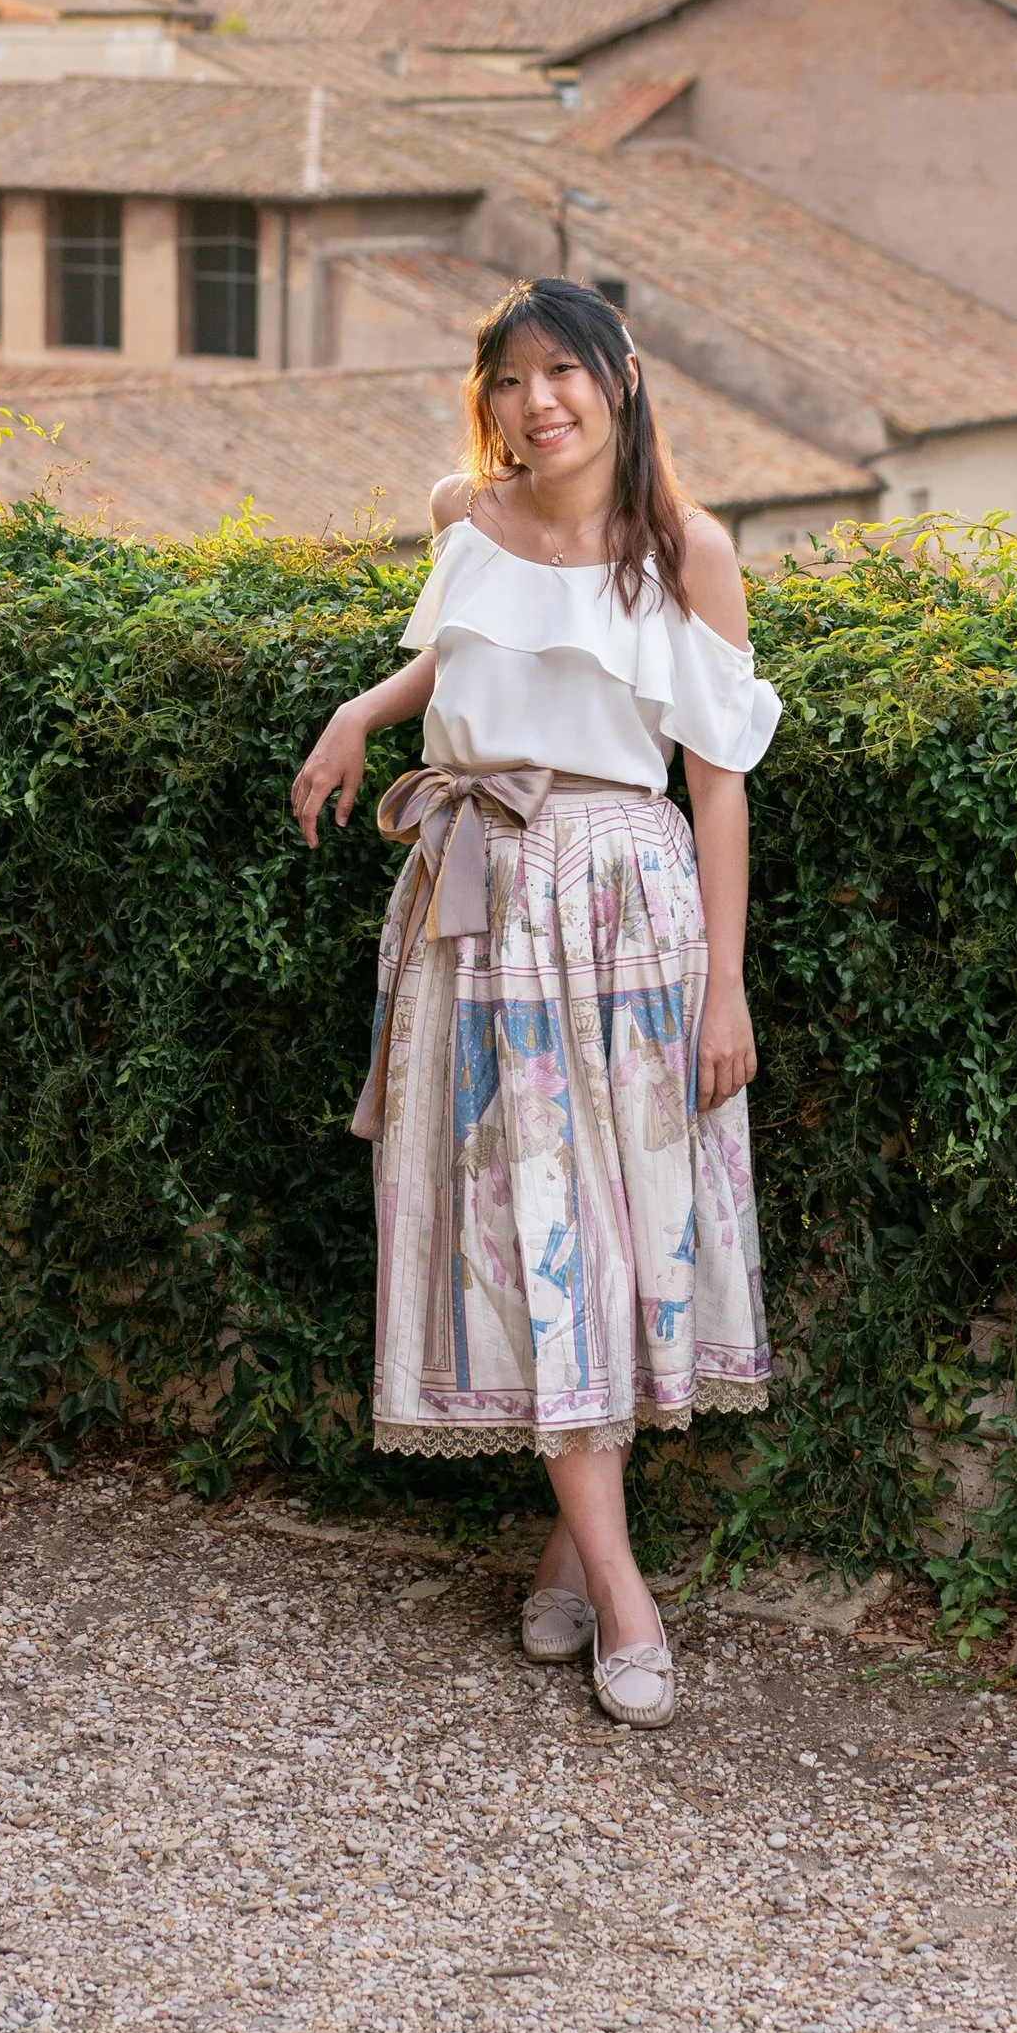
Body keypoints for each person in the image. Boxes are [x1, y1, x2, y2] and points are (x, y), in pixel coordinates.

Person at [290, 275, 779, 1730]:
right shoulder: (469, 520)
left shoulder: (689, 552)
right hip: (478, 902)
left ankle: (584, 1547)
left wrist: (727, 987)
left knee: (616, 1233)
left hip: (627, 902)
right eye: (510, 379)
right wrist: (363, 711)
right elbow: (474, 643)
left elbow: (718, 779)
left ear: (624, 378)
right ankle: (627, 1589)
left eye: (566, 371)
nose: (537, 401)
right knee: (529, 1230)